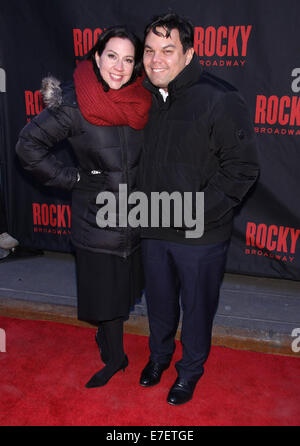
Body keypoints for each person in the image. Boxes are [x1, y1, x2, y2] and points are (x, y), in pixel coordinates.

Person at [16, 26, 151, 388]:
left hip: (137, 216)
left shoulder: (143, 100)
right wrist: (73, 180)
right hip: (98, 219)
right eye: (112, 56)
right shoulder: (75, 104)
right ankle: (114, 358)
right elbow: (27, 146)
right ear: (96, 57)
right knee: (106, 295)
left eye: (127, 59)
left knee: (124, 290)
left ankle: (112, 346)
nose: (119, 67)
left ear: (136, 65)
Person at [138, 13, 260, 405]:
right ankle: (158, 358)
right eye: (150, 50)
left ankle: (189, 372)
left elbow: (242, 169)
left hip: (200, 233)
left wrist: (195, 212)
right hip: (152, 226)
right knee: (157, 303)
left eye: (168, 50)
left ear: (189, 55)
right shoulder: (142, 95)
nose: (157, 60)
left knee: (196, 310)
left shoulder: (219, 97)